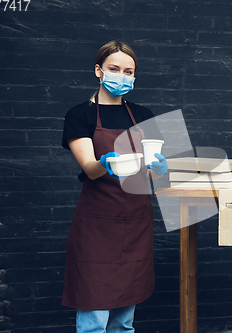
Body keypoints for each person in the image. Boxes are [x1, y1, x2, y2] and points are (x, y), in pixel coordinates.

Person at [61, 40, 167, 332]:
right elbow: (90, 170)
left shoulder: (144, 115)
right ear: (98, 70)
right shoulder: (79, 115)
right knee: (94, 319)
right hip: (97, 225)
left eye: (128, 71)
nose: (122, 76)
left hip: (135, 223)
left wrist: (159, 171)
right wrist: (104, 163)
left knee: (124, 320)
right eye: (114, 69)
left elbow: (151, 177)